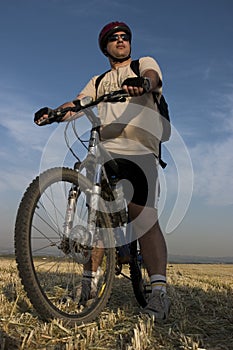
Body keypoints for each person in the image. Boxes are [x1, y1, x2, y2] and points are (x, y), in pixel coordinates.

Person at [34, 21, 170, 322]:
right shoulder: (98, 81)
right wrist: (54, 113)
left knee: (142, 215)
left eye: (125, 37)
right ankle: (89, 285)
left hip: (139, 148)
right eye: (114, 38)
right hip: (107, 150)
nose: (121, 41)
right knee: (97, 215)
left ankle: (159, 292)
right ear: (105, 47)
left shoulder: (141, 64)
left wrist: (144, 84)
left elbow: (154, 78)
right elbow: (77, 104)